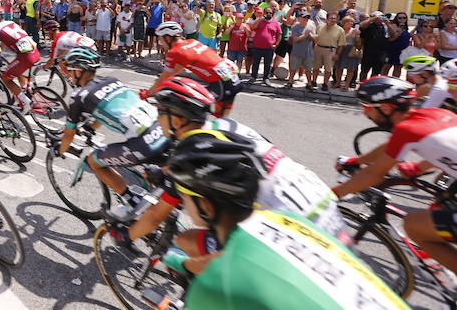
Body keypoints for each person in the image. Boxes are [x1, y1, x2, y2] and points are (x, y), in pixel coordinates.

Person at [164, 131, 408, 310]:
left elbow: (225, 264)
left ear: (205, 204)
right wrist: (187, 265)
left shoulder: (216, 285)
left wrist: (184, 266)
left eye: (184, 196)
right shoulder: (285, 220)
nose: (182, 202)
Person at [113, 77, 347, 249]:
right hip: (316, 197)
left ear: (176, 117)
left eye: (160, 112)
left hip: (293, 228)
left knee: (188, 244)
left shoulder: (194, 152)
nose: (157, 118)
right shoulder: (224, 126)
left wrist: (127, 235)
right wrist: (167, 172)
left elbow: (156, 215)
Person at [334, 76, 457, 285]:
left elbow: (374, 174)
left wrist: (332, 195)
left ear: (387, 108)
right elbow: (390, 148)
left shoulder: (407, 130)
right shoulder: (434, 114)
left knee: (414, 226)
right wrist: (356, 160)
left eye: (368, 107)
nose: (364, 112)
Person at [53, 47, 170, 207]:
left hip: (144, 144)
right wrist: (92, 127)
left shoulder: (79, 96)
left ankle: (132, 201)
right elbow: (109, 109)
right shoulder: (112, 80)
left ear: (79, 71)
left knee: (94, 162)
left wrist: (59, 150)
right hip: (164, 130)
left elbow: (68, 136)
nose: (69, 74)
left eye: (70, 70)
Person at [145, 21, 241, 117]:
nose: (161, 43)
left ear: (168, 38)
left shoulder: (174, 52)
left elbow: (164, 77)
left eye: (161, 39)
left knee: (185, 106)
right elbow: (176, 70)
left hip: (221, 83)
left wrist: (148, 93)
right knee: (221, 118)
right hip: (231, 77)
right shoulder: (192, 42)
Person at [0, 6, 40, 112]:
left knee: (5, 78)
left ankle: (26, 102)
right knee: (17, 71)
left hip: (25, 56)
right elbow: (3, 42)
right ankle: (25, 90)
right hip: (35, 52)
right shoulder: (11, 23)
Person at [310, 11, 345, 91]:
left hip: (330, 50)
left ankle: (325, 84)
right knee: (315, 67)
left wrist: (338, 54)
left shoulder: (340, 30)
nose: (333, 20)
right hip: (318, 48)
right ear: (327, 19)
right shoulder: (320, 27)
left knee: (328, 69)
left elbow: (342, 44)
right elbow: (315, 38)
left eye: (334, 19)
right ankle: (314, 81)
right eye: (331, 18)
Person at [248, 7, 281, 84]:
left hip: (269, 48)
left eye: (270, 13)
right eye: (267, 12)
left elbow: (279, 34)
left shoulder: (275, 23)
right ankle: (253, 77)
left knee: (267, 64)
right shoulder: (259, 21)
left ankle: (266, 78)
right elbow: (253, 27)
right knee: (255, 63)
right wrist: (260, 19)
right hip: (257, 46)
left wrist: (276, 44)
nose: (268, 14)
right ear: (264, 13)